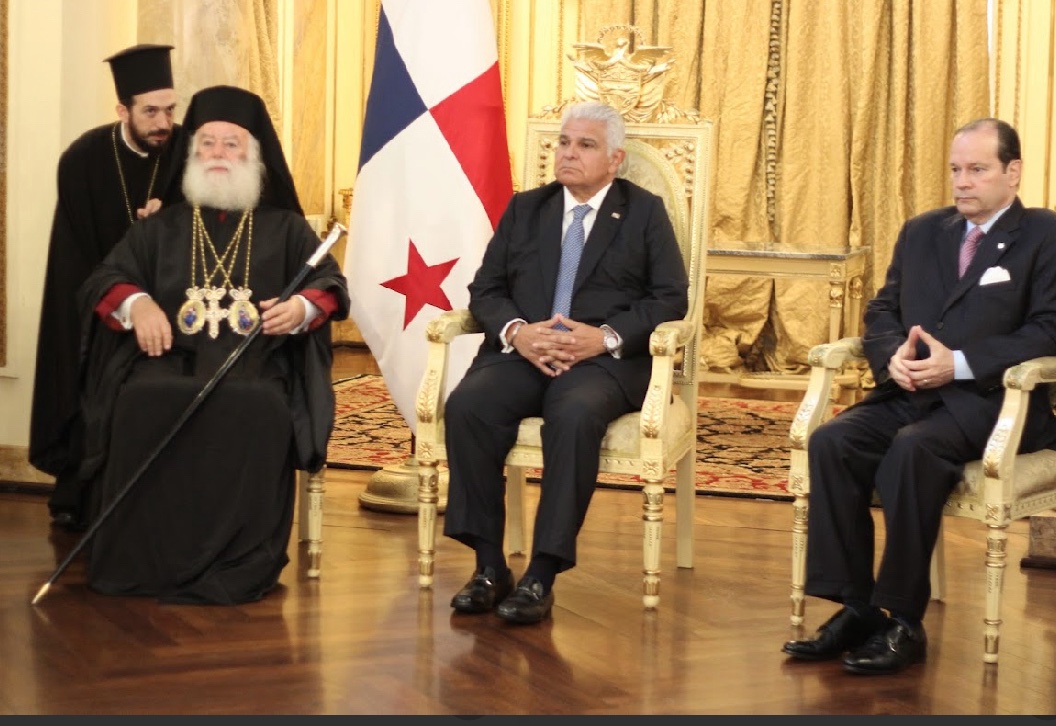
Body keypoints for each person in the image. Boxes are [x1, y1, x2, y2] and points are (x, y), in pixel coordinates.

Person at [781, 118, 1056, 674]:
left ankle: (902, 618)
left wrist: (958, 363)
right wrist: (893, 359)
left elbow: (1048, 329)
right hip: (910, 393)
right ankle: (856, 608)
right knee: (833, 441)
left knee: (913, 448)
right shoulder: (923, 230)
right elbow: (883, 309)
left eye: (977, 169)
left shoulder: (1044, 234)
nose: (962, 182)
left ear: (1013, 172)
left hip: (993, 402)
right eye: (955, 169)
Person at [76, 85, 350, 605]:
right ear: (191, 153)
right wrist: (139, 304)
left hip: (255, 365)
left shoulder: (286, 228)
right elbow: (105, 279)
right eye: (207, 142)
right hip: (169, 361)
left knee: (258, 405)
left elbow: (329, 286)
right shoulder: (161, 228)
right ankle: (143, 557)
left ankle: (238, 559)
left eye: (231, 143)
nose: (218, 153)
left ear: (253, 156)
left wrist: (300, 309)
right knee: (139, 399)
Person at [443, 101, 689, 624]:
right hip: (526, 352)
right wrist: (518, 332)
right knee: (468, 406)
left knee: (574, 414)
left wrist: (605, 337)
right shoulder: (526, 209)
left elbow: (670, 298)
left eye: (585, 145)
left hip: (603, 361)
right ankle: (489, 567)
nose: (568, 153)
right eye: (564, 142)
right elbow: (486, 289)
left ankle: (541, 574)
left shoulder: (643, 212)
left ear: (615, 159)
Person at [30, 44, 186, 531]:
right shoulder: (83, 158)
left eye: (170, 109)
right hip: (101, 305)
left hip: (174, 306)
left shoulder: (188, 150)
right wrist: (118, 296)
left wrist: (171, 222)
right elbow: (74, 252)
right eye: (151, 111)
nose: (164, 122)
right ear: (123, 111)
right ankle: (83, 493)